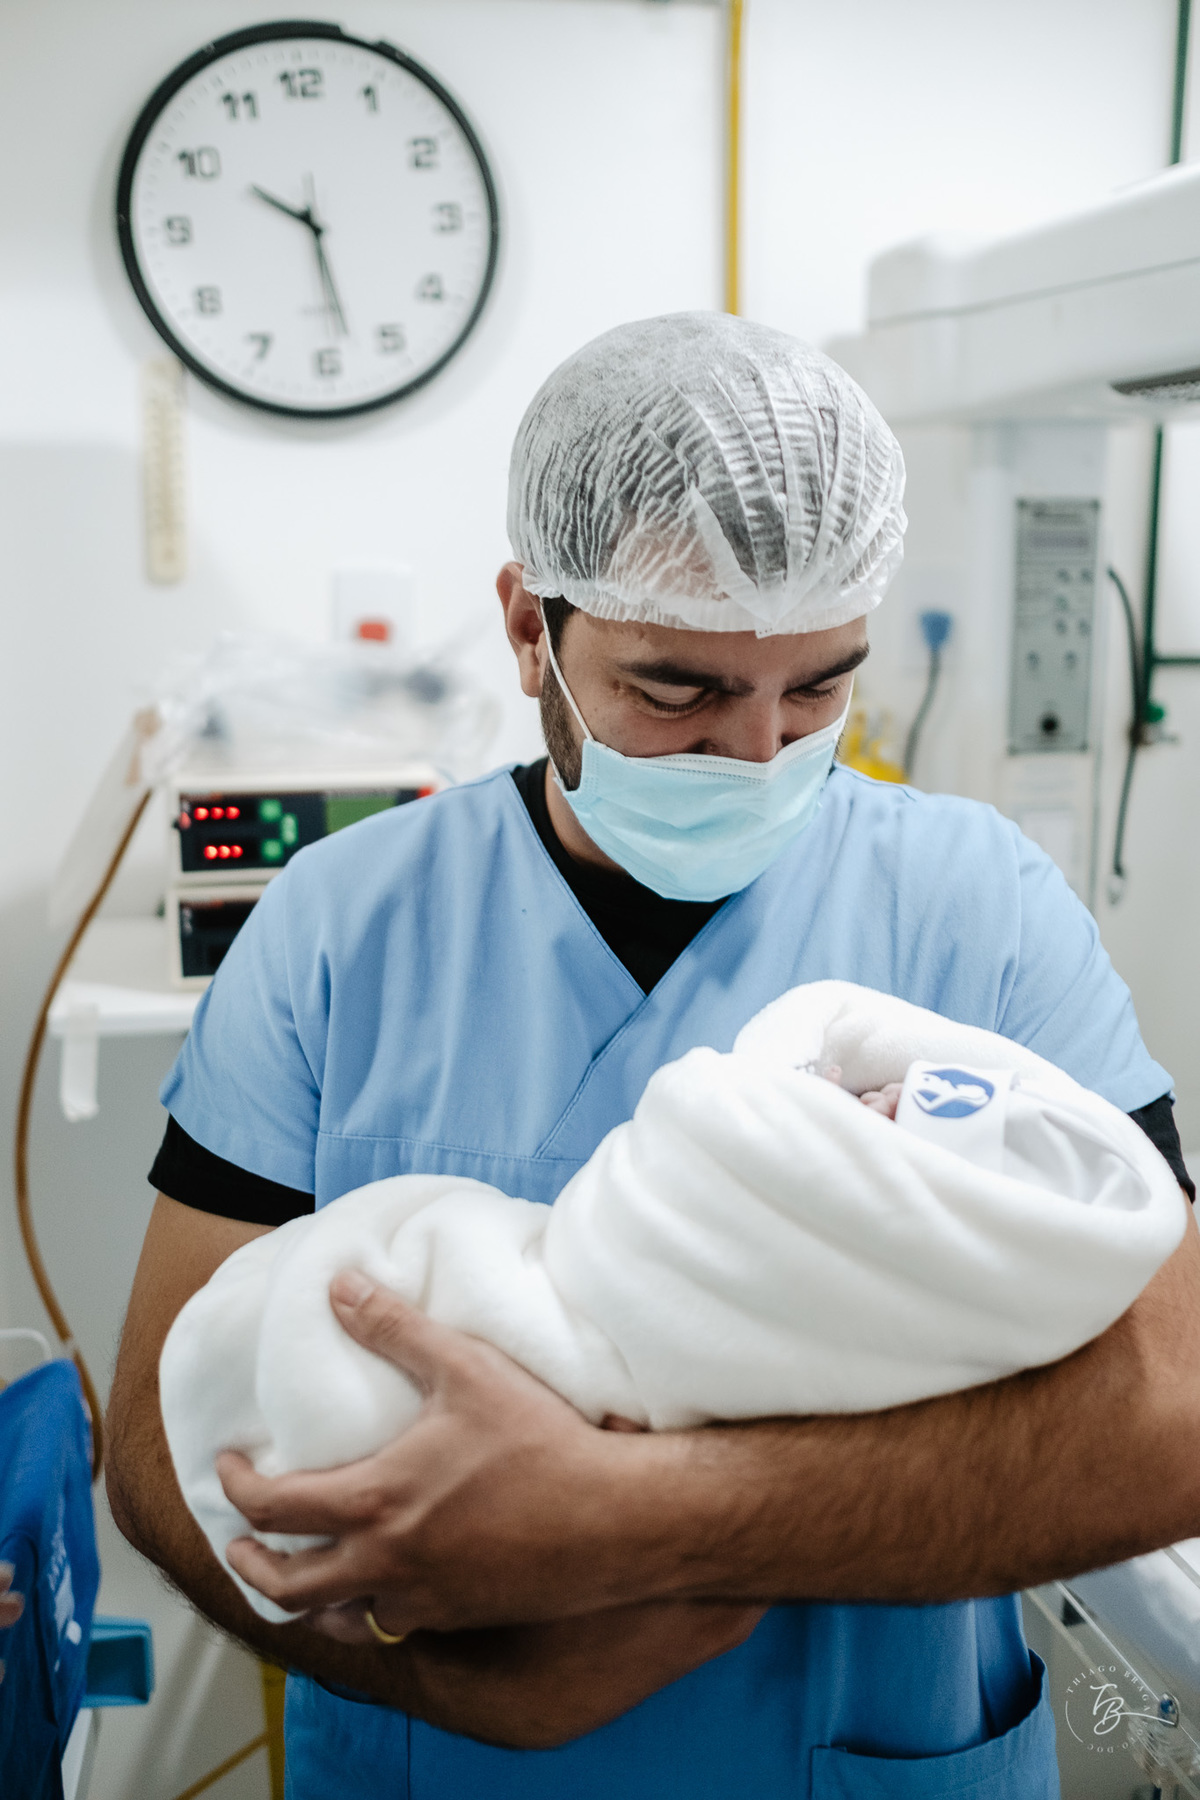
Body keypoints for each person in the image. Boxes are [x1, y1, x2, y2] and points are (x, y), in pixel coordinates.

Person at [107, 313, 1197, 1799]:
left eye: (819, 688)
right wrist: (448, 1685)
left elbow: (1179, 1404)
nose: (758, 756)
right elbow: (157, 1442)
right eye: (675, 692)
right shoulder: (342, 927)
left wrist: (649, 1520)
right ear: (526, 629)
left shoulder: (977, 908)